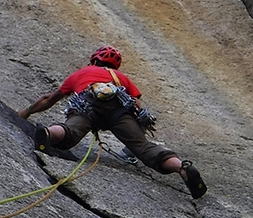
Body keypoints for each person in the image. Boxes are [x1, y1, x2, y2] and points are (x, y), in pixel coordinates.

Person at [17, 46, 208, 199]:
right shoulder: (122, 78)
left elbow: (49, 98)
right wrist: (135, 138)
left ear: (94, 60)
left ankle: (48, 133)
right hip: (119, 109)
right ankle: (181, 167)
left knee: (71, 129)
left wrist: (26, 112)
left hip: (87, 104)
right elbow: (138, 108)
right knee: (144, 147)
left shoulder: (83, 72)